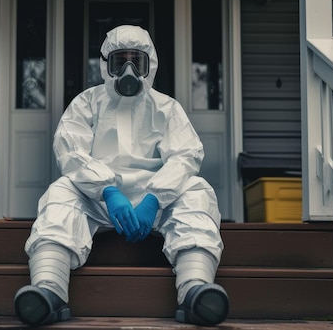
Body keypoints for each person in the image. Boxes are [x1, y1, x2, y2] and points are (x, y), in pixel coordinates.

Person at [14, 24, 229, 326]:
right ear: (105, 65)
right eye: (120, 60)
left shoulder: (166, 108)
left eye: (136, 60)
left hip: (154, 200)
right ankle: (48, 291)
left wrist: (155, 198)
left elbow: (185, 156)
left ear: (149, 65)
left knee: (197, 191)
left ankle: (195, 291)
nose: (129, 69)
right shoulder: (87, 103)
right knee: (61, 192)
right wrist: (108, 191)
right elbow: (70, 151)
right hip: (99, 198)